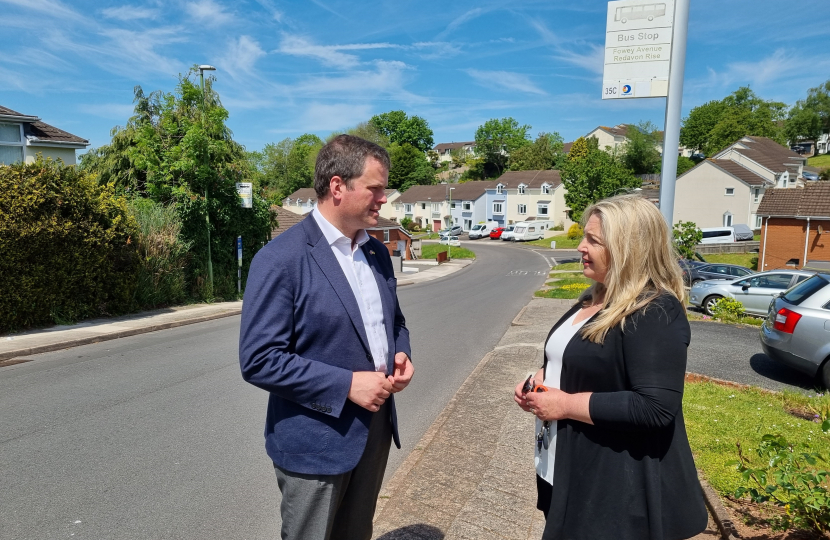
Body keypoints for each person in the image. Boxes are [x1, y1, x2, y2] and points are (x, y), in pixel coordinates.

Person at [239, 134, 414, 540]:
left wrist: (401, 354)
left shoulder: (376, 252)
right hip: (315, 444)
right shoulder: (281, 259)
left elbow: (396, 323)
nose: (382, 199)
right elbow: (259, 359)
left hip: (374, 431)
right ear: (338, 186)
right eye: (374, 188)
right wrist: (348, 384)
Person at [514, 195, 708, 540]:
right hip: (565, 466)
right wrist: (541, 378)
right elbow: (576, 357)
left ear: (627, 249)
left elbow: (655, 406)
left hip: (614, 489)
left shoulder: (654, 311)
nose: (580, 246)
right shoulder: (594, 298)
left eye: (593, 240)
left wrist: (564, 404)